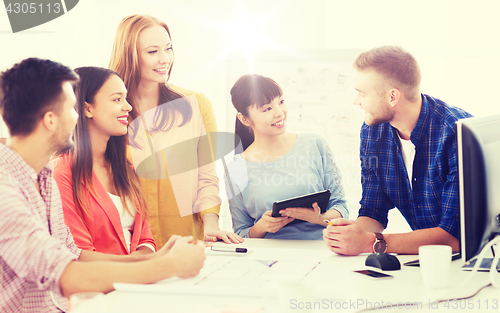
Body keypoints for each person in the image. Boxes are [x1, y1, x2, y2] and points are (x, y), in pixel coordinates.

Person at [0, 58, 205, 313]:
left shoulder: (42, 180)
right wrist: (170, 265)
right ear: (51, 120)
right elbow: (68, 274)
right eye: (72, 108)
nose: (77, 116)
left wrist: (160, 255)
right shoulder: (4, 191)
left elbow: (71, 255)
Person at [108, 14, 243, 247]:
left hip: (186, 241)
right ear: (129, 55)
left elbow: (206, 176)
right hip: (128, 248)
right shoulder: (109, 110)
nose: (165, 59)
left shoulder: (196, 104)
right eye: (152, 52)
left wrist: (211, 224)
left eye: (168, 48)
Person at [323, 46, 472, 255]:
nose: (356, 101)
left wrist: (369, 243)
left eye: (362, 93)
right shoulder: (372, 131)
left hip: (475, 264)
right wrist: (350, 235)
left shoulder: (458, 133)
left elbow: (454, 237)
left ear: (393, 97)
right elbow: (373, 210)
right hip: (426, 260)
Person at [225, 74, 348, 240]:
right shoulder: (235, 169)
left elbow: (340, 206)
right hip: (269, 259)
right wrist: (262, 227)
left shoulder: (315, 144)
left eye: (281, 102)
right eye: (267, 108)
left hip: (322, 251)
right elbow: (241, 233)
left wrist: (318, 218)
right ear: (244, 119)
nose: (279, 112)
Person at [53, 67, 155, 255]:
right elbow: (79, 254)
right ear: (87, 109)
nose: (128, 106)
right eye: (117, 99)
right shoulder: (62, 172)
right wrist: (142, 265)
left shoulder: (125, 167)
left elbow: (146, 240)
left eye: (125, 98)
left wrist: (144, 265)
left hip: (137, 280)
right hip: (100, 282)